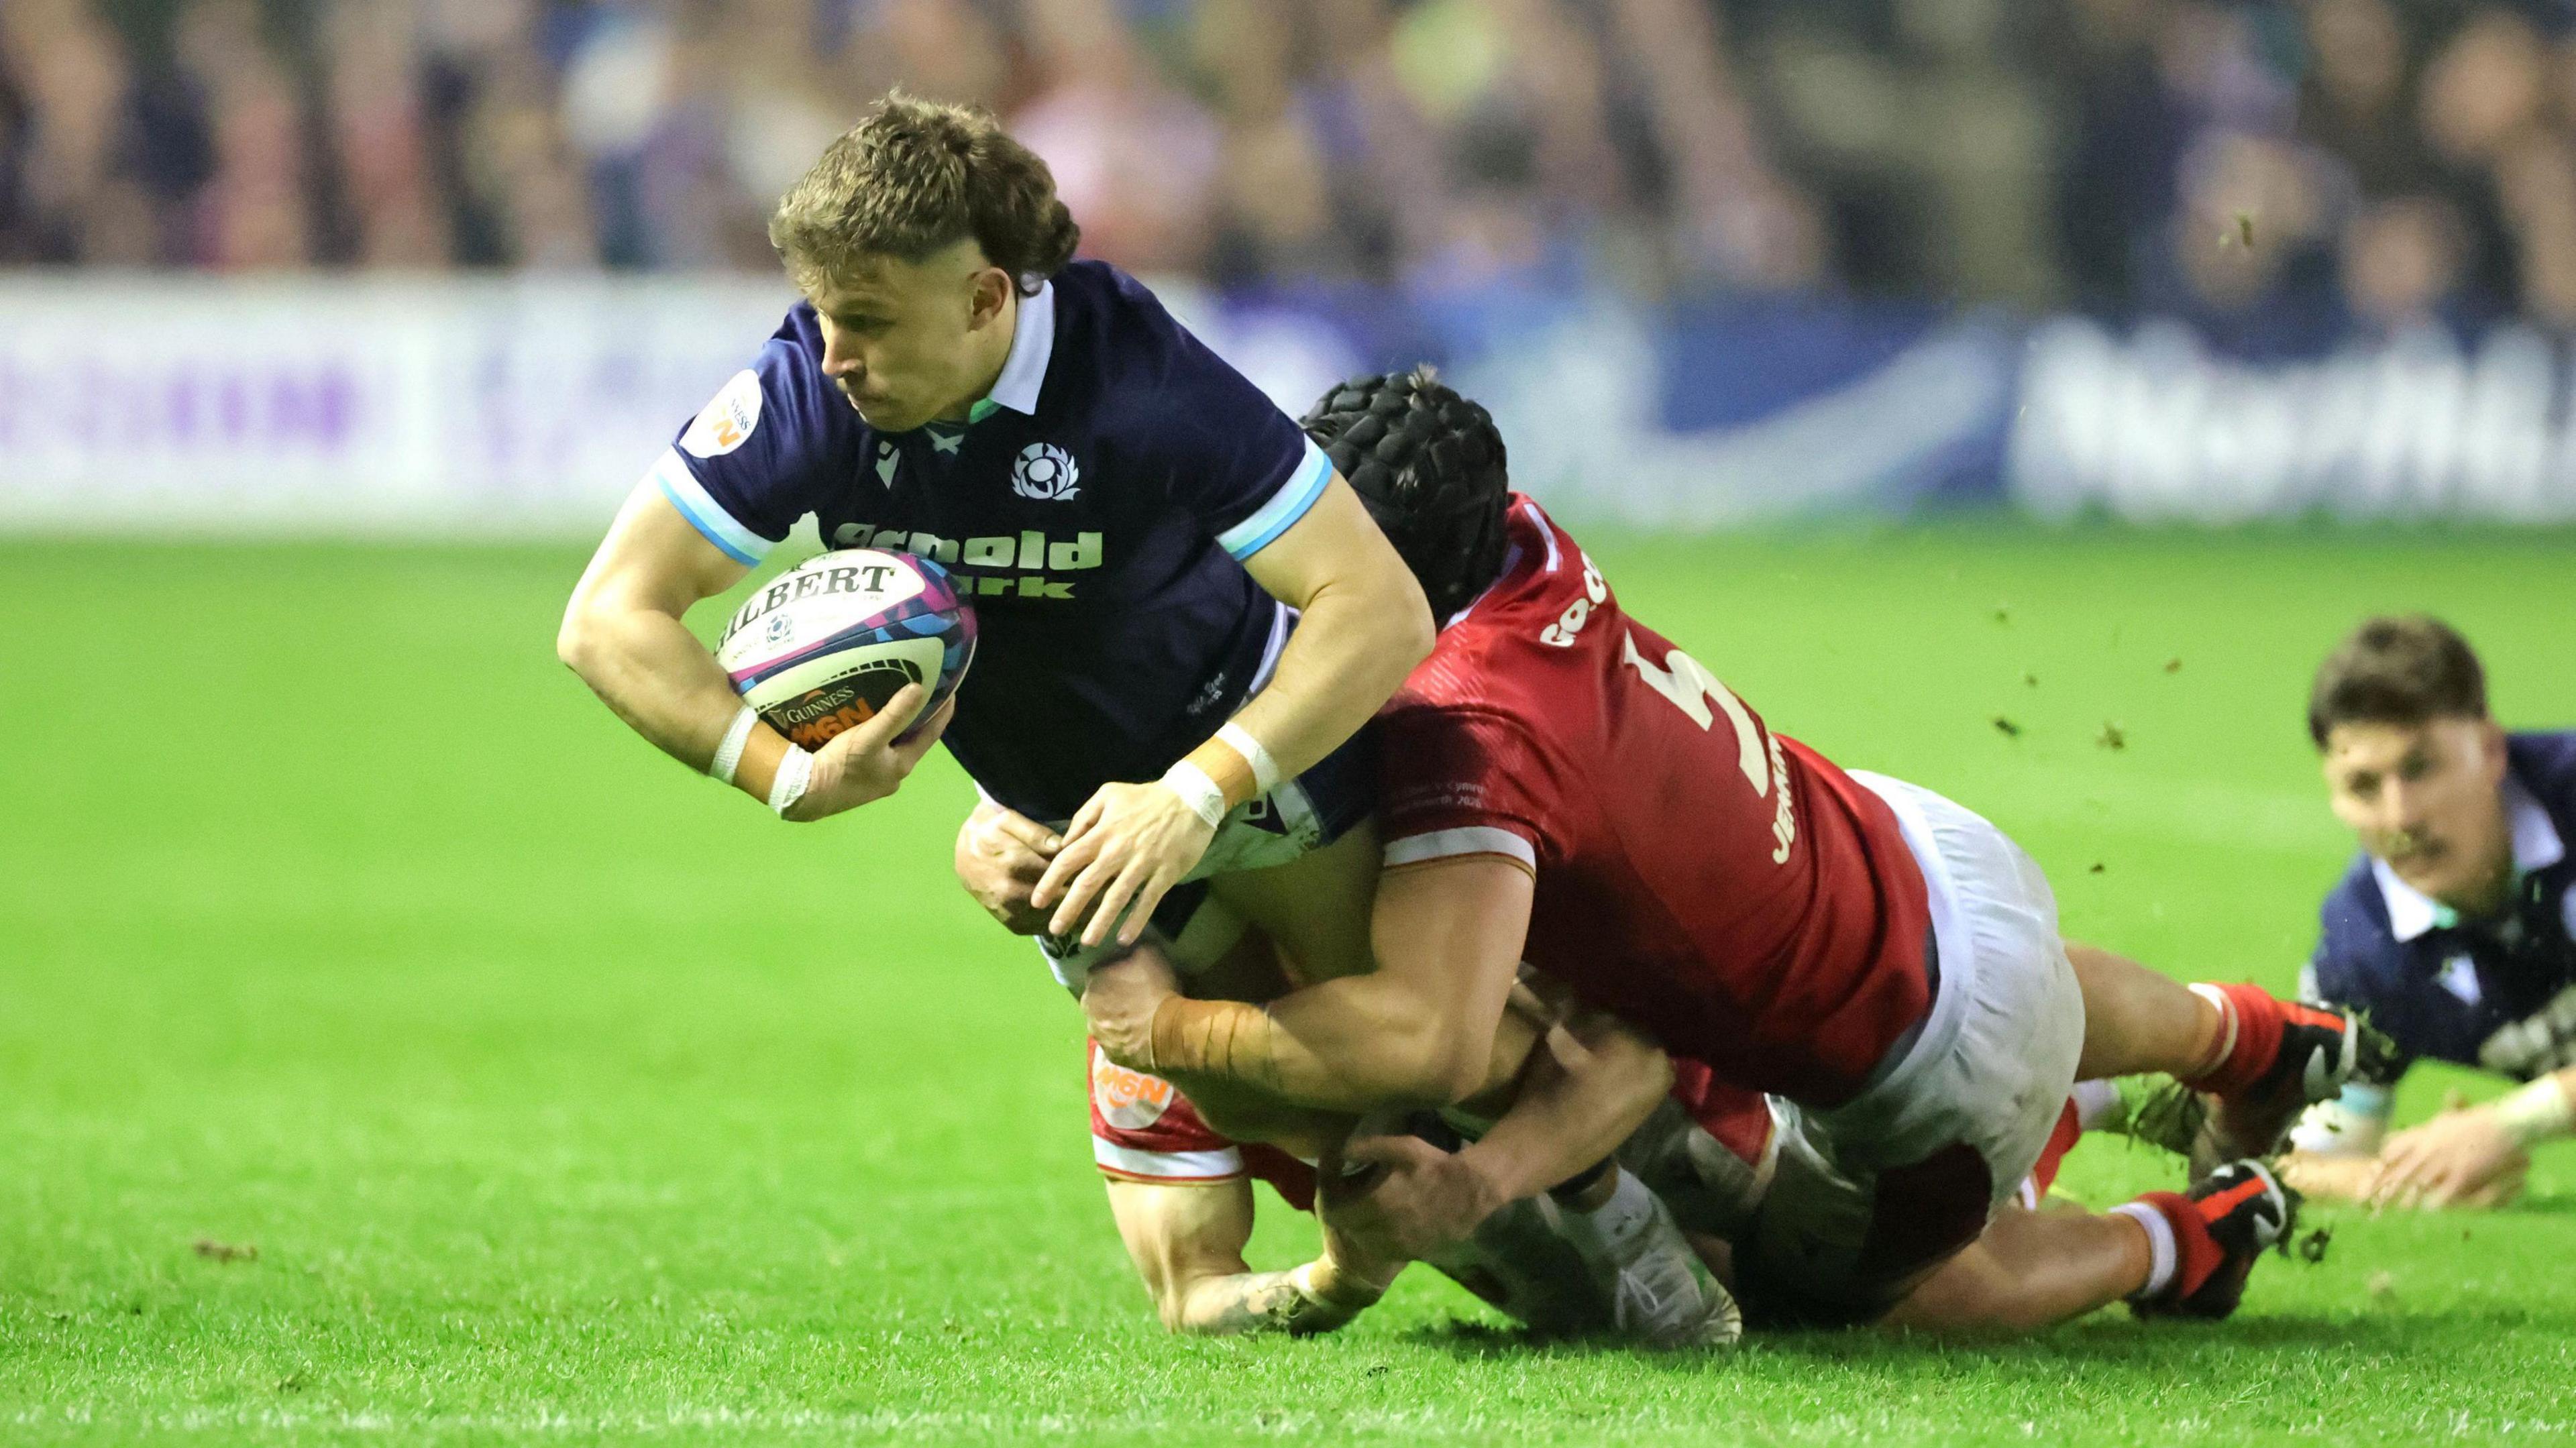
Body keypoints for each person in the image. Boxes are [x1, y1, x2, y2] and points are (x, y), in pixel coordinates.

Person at [1079, 369, 2375, 1329]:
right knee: (1999, 967)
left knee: (1877, 1300)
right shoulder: (1515, 537)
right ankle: (2251, 1036)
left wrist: (1168, 1037)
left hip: (1924, 1068)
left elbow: (1434, 1031)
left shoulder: (1465, 732)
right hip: (1910, 843)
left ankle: (2185, 1238)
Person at [556, 93, 1432, 991]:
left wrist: (1195, 793)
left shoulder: (1135, 375)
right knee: (1236, 1092)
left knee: (1390, 1053)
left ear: (983, 299)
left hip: (1240, 756)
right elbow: (606, 616)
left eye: (870, 319)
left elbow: (1382, 607)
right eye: (821, 311)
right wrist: (788, 777)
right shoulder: (810, 395)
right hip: (1052, 826)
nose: (834, 356)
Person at [2280, 616, 2576, 1209]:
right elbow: (2301, 1157)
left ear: (2491, 749)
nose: (2400, 817)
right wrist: (2410, 1173)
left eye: (2420, 768)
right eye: (2364, 785)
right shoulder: (2362, 954)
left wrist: (2508, 1124)